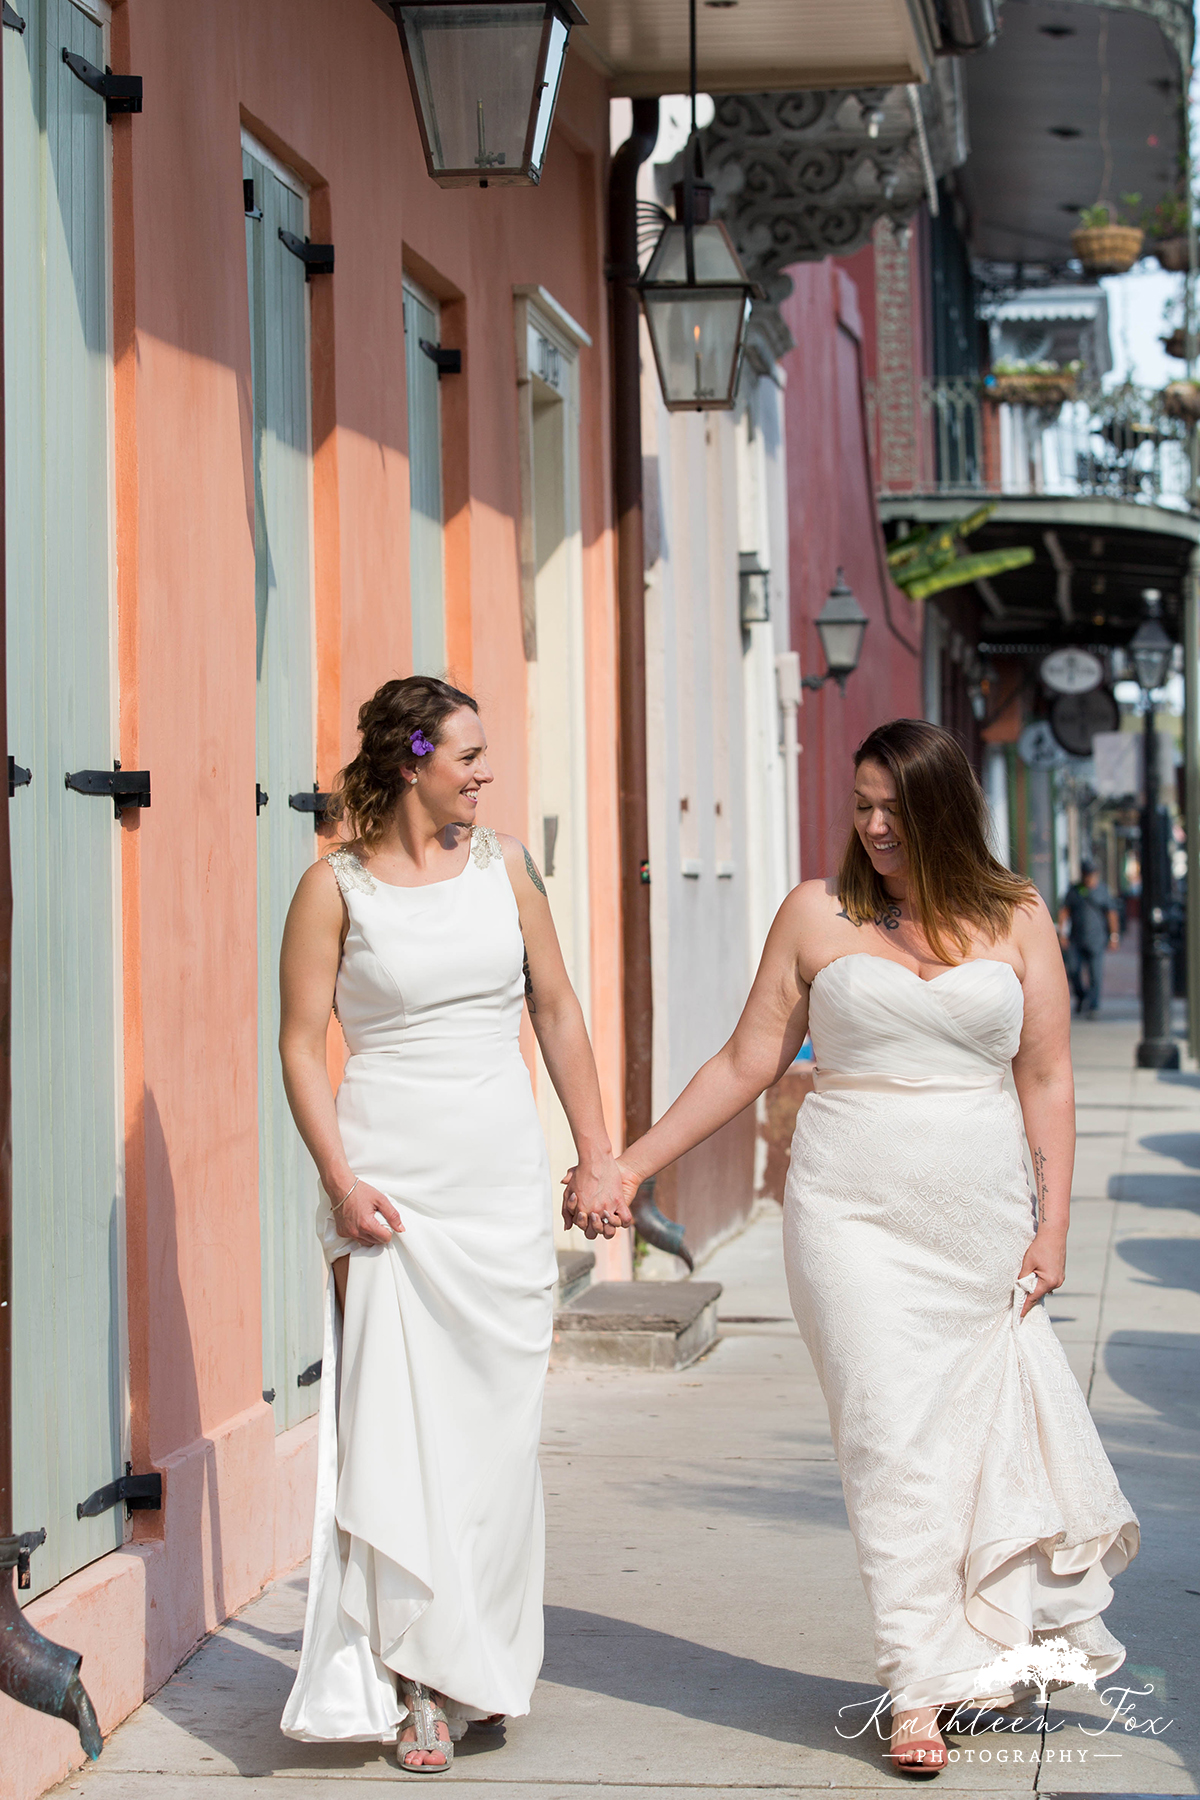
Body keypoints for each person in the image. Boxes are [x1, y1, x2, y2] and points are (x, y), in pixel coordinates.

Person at [591, 720, 1137, 1777]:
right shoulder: (817, 912)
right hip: (847, 1216)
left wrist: (1054, 1222)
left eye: (896, 808)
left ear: (946, 811)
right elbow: (748, 1058)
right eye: (863, 805)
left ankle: (967, 1652)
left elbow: (1048, 1079)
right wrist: (630, 1164)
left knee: (969, 1446)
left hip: (978, 1222)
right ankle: (916, 1685)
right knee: (888, 1439)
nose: (876, 827)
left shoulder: (1018, 918)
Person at [277, 676, 629, 1773]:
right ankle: (415, 1679)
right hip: (389, 1190)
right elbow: (298, 1045)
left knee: (494, 1439)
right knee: (399, 1432)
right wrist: (339, 1183)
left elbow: (558, 1008)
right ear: (410, 757)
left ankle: (481, 1662)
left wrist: (598, 1152)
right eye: (467, 755)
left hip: (496, 1182)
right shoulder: (330, 887)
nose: (484, 774)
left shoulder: (507, 867)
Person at [1058, 862, 1120, 1016]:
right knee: (1073, 970)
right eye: (1086, 874)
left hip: (1097, 940)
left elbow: (1111, 914)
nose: (1089, 878)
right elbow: (1064, 911)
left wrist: (1114, 936)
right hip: (1076, 939)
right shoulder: (1075, 890)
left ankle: (1093, 1005)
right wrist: (1062, 934)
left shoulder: (1103, 891)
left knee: (1095, 974)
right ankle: (1081, 997)